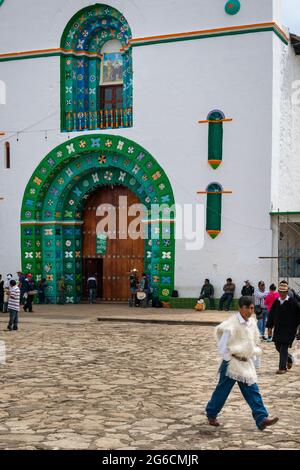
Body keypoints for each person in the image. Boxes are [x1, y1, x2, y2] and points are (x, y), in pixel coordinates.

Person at [205, 296, 279, 431]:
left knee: (253, 390)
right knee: (222, 391)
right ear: (241, 308)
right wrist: (229, 359)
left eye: (252, 308)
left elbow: (253, 343)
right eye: (248, 308)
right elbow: (222, 346)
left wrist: (253, 360)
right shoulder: (231, 324)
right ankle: (211, 413)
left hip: (245, 363)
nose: (251, 311)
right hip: (231, 363)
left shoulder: (252, 323)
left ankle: (262, 418)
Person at [266, 281, 300, 374]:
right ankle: (289, 358)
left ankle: (282, 368)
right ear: (278, 291)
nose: (282, 293)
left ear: (287, 292)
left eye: (284, 292)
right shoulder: (276, 302)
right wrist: (269, 327)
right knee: (277, 346)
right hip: (278, 329)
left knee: (283, 347)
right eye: (280, 291)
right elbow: (271, 315)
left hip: (289, 329)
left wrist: (298, 328)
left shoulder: (292, 302)